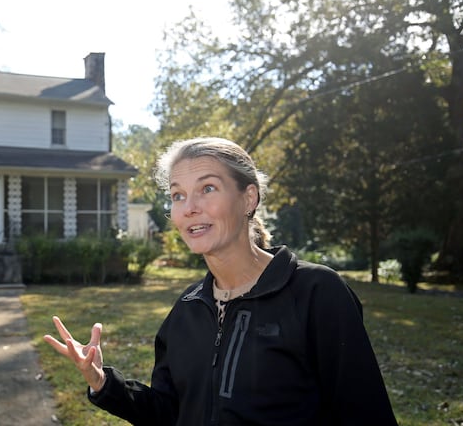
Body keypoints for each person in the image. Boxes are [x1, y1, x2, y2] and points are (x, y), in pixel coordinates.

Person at [43, 137, 398, 425]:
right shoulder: (187, 310)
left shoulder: (316, 293)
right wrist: (103, 382)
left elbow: (366, 415)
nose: (189, 207)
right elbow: (170, 413)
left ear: (248, 198)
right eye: (178, 195)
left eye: (208, 188)